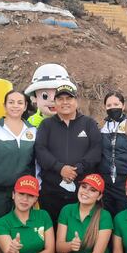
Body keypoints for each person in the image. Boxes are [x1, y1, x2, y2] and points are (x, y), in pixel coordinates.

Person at [35, 84, 101, 224]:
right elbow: (40, 150)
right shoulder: (46, 125)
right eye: (60, 99)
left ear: (76, 101)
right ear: (55, 102)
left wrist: (78, 169)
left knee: (79, 230)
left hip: (82, 192)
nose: (65, 102)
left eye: (69, 98)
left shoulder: (89, 123)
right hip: (51, 192)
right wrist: (60, 168)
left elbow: (96, 150)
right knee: (51, 230)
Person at [0, 90, 37, 216]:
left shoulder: (32, 131)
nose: (15, 106)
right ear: (4, 106)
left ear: (25, 106)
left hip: (24, 193)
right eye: (11, 102)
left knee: (22, 226)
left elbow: (36, 165)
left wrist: (37, 189)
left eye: (20, 103)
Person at [99, 91, 127, 218]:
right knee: (107, 217)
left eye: (116, 104)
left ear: (123, 106)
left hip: (126, 181)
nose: (112, 108)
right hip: (106, 182)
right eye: (109, 105)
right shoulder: (102, 127)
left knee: (125, 217)